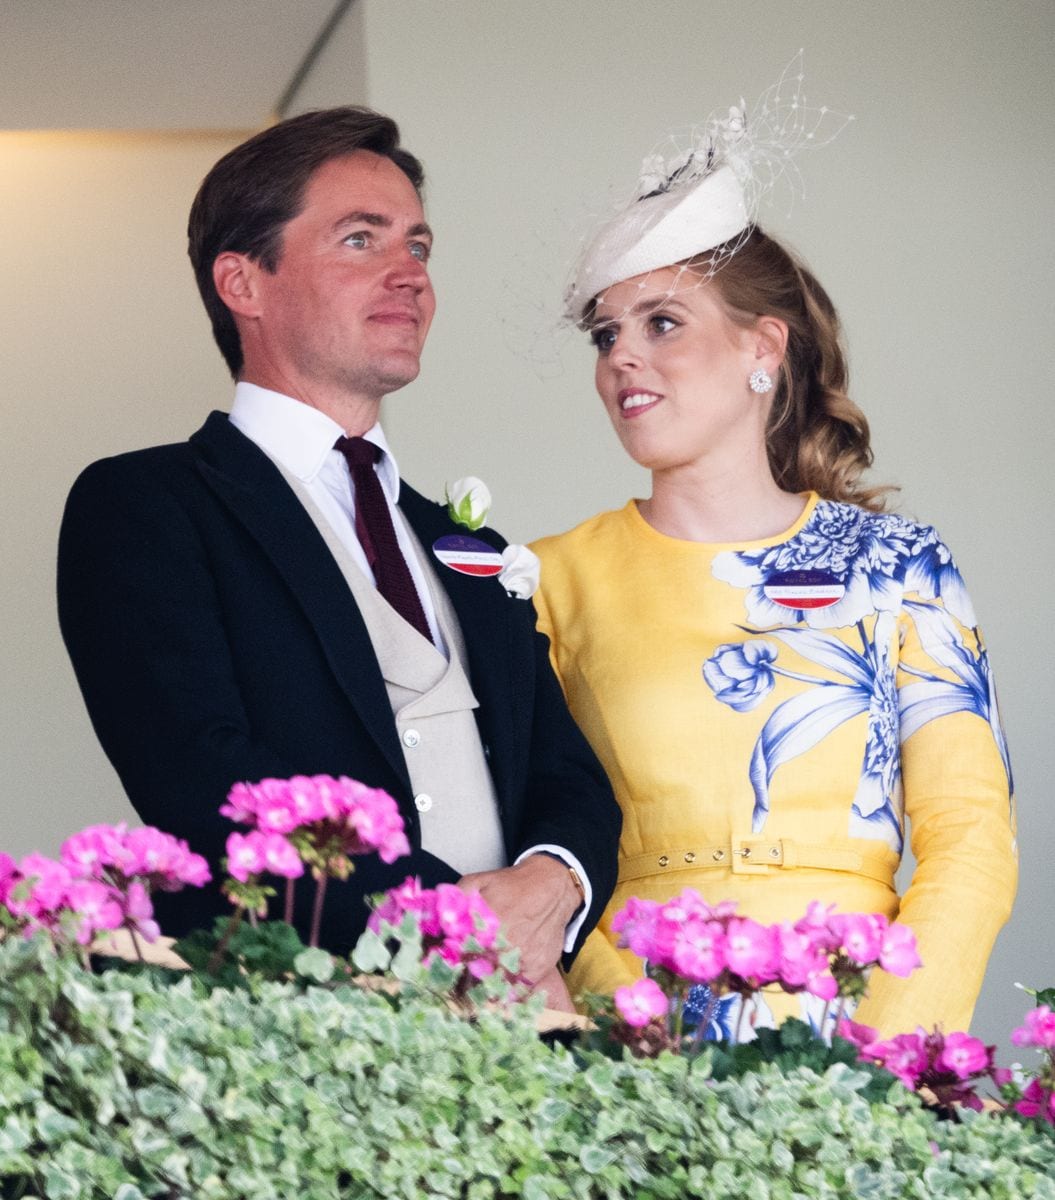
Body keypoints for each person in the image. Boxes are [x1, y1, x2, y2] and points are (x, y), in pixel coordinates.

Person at [57, 106, 620, 1009]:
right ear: (242, 282)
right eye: (361, 239)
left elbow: (565, 776)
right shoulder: (147, 506)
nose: (410, 273)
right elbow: (199, 779)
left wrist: (553, 887)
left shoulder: (466, 546)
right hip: (296, 1021)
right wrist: (459, 926)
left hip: (525, 1026)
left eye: (418, 246)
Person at [531, 83, 1016, 1036]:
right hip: (633, 1040)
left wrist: (880, 1057)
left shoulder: (899, 567)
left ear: (763, 347)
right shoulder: (549, 578)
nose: (621, 357)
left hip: (860, 1027)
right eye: (606, 334)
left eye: (661, 322)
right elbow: (527, 835)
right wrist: (616, 1040)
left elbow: (971, 840)